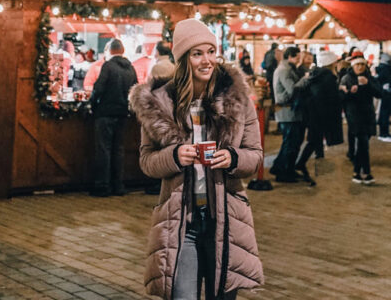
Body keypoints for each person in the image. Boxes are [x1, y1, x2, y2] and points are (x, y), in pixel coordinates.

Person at [129, 18, 264, 300]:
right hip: (181, 223)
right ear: (182, 59)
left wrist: (233, 157)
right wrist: (175, 156)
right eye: (197, 53)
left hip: (226, 222)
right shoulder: (159, 104)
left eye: (211, 51)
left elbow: (255, 156)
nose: (207, 60)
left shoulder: (237, 100)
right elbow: (146, 161)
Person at [89, 38, 138, 197]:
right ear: (122, 51)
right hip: (122, 113)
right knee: (118, 150)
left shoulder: (108, 66)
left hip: (106, 113)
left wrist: (93, 104)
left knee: (104, 149)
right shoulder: (131, 68)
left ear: (110, 51)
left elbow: (98, 88)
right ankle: (118, 185)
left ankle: (103, 186)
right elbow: (135, 91)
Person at [294, 51, 343, 182]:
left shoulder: (316, 75)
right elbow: (329, 98)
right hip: (320, 115)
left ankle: (301, 163)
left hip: (313, 114)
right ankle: (300, 163)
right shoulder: (327, 78)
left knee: (314, 139)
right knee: (313, 140)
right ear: (332, 63)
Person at [339, 51, 381, 184]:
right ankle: (367, 173)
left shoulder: (369, 77)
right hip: (354, 114)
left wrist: (368, 84)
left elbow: (380, 93)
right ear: (353, 66)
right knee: (363, 142)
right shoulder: (347, 78)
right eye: (357, 65)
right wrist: (349, 92)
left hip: (368, 113)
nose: (360, 68)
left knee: (363, 144)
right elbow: (341, 98)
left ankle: (357, 172)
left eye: (362, 65)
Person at [269, 46, 304, 182]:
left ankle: (282, 168)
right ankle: (283, 172)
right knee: (290, 143)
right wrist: (305, 80)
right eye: (297, 57)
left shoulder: (287, 69)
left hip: (290, 112)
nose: (298, 60)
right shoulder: (285, 70)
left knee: (291, 142)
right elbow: (292, 89)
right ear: (290, 57)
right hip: (287, 112)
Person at [375, 52, 391, 142]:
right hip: (387, 93)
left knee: (383, 113)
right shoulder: (385, 68)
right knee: (385, 113)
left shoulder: (380, 68)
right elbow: (390, 80)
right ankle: (384, 134)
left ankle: (383, 133)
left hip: (384, 92)